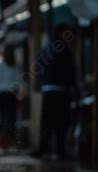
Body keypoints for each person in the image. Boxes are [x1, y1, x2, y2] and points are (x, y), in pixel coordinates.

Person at [33, 24, 76, 160]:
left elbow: (38, 69)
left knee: (47, 122)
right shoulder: (64, 49)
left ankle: (42, 149)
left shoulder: (45, 49)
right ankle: (60, 150)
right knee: (61, 122)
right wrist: (74, 87)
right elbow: (70, 72)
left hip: (47, 90)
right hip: (61, 90)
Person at [0, 45, 23, 152]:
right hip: (12, 94)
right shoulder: (15, 64)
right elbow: (19, 81)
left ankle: (0, 143)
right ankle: (10, 143)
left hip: (2, 94)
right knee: (11, 119)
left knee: (0, 118)